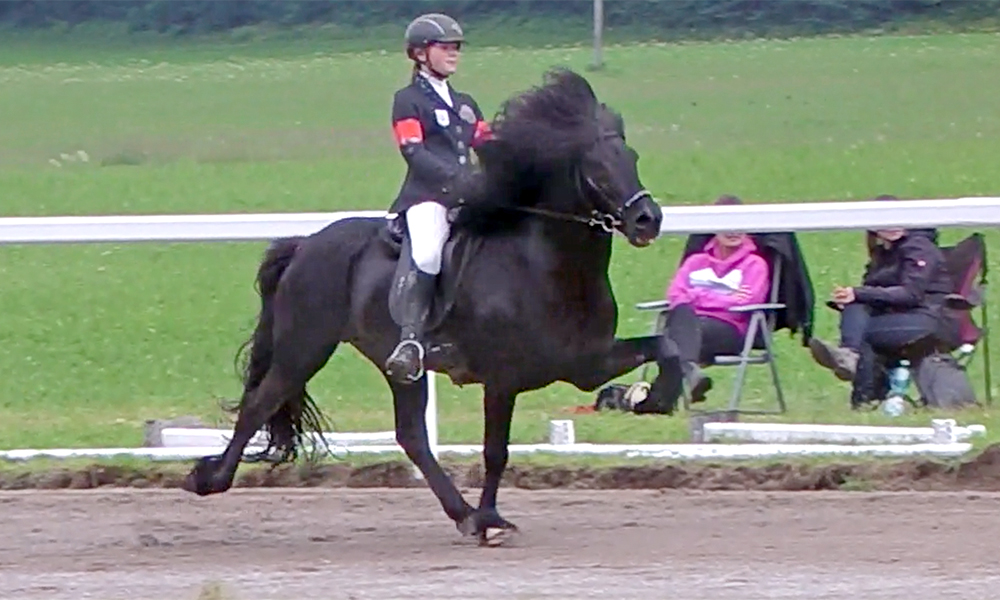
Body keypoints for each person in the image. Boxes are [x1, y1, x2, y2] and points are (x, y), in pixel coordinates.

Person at [383, 13, 492, 384]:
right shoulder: (407, 100)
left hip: (469, 197)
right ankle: (411, 341)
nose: (453, 53)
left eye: (456, 47)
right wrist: (459, 179)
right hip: (427, 197)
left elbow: (488, 143)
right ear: (419, 54)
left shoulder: (465, 103)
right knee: (428, 251)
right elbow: (413, 150)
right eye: (445, 47)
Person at [807, 195, 956, 407]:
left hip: (928, 318)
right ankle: (855, 369)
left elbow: (911, 294)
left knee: (862, 333)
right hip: (897, 316)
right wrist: (852, 297)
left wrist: (858, 294)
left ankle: (863, 394)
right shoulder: (882, 253)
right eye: (883, 221)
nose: (891, 226)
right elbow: (873, 291)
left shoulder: (919, 248)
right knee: (858, 310)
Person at [637, 195, 772, 413]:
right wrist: (722, 298)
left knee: (671, 337)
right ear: (713, 227)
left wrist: (697, 295)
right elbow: (674, 294)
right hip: (689, 323)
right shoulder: (696, 262)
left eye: (739, 226)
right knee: (680, 315)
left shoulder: (755, 264)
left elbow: (747, 300)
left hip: (728, 330)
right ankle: (688, 373)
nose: (733, 232)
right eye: (726, 226)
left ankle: (678, 381)